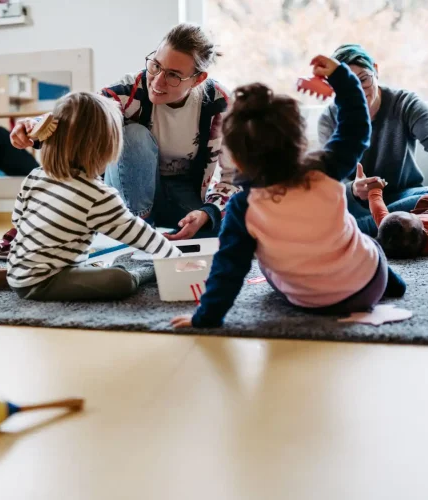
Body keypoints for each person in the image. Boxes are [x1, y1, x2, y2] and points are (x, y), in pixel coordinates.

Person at [172, 55, 406, 329]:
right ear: (299, 140)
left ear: (236, 159)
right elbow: (356, 126)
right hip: (369, 286)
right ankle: (393, 283)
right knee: (368, 243)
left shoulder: (243, 208)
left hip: (309, 301)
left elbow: (228, 269)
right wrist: (342, 78)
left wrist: (205, 318)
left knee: (264, 264)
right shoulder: (325, 169)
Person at [11, 23, 238, 240]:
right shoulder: (131, 89)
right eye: (156, 66)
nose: (157, 82)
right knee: (133, 136)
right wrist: (37, 125)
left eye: (173, 75)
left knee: (223, 231)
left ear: (198, 79)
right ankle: (134, 232)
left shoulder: (221, 104)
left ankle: (149, 235)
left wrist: (207, 213)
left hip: (183, 195)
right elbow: (81, 115)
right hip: (130, 195)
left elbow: (235, 176)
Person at [0, 92, 181, 300]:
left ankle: (18, 277)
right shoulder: (97, 195)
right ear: (106, 146)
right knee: (119, 279)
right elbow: (139, 234)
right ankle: (140, 274)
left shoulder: (36, 175)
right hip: (48, 281)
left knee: (83, 265)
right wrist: (174, 256)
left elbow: (18, 220)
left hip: (20, 268)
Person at [318, 44, 428, 236]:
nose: (359, 92)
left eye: (363, 80)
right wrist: (353, 189)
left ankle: (365, 229)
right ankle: (393, 225)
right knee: (324, 210)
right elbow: (328, 180)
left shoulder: (405, 103)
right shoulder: (328, 118)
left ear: (376, 71)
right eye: (347, 86)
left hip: (404, 194)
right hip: (359, 204)